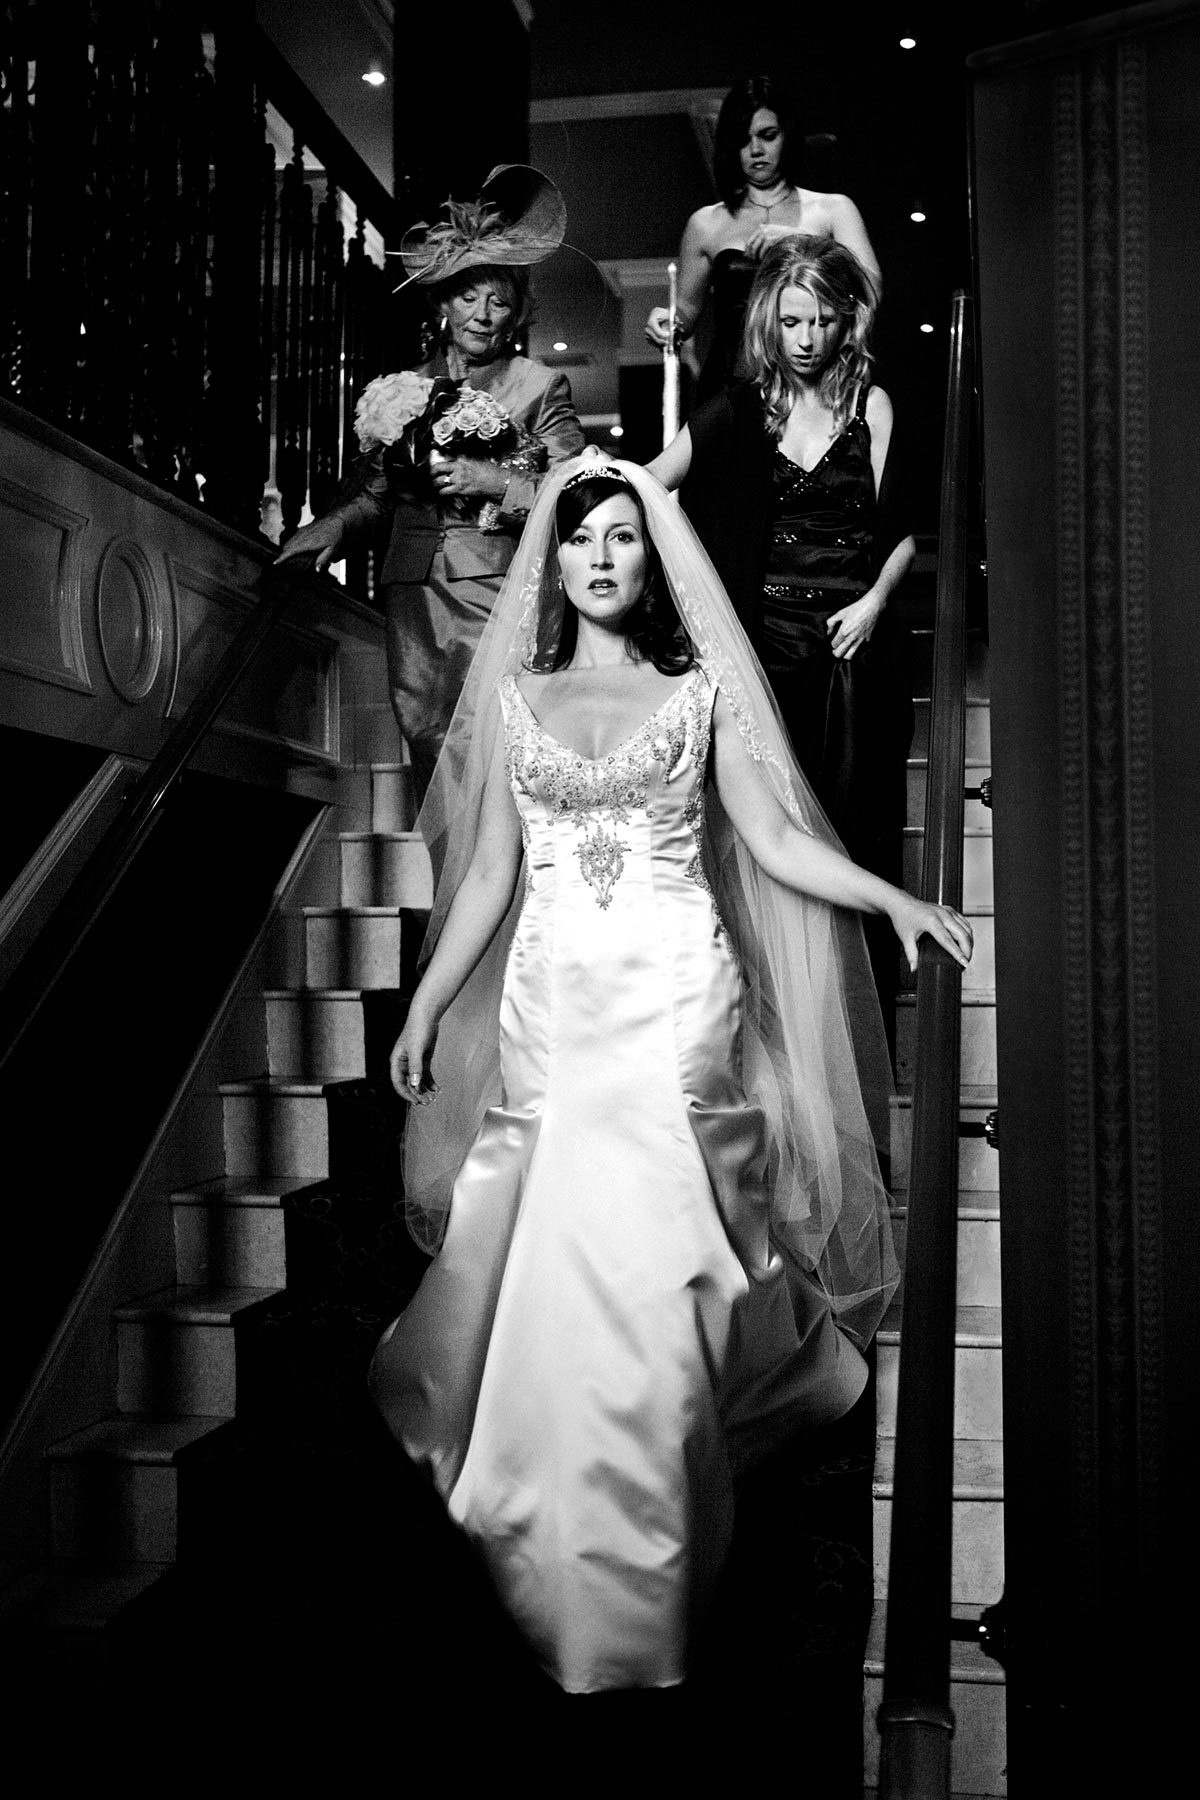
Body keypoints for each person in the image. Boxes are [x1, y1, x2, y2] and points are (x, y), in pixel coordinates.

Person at [367, 453, 972, 1696]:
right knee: (557, 1243)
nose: (601, 557)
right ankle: (556, 1500)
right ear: (554, 558)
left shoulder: (697, 695)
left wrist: (893, 898)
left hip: (677, 994)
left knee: (660, 1253)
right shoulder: (516, 697)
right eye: (580, 536)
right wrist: (426, 1000)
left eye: (623, 537)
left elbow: (775, 838)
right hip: (552, 1001)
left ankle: (651, 1538)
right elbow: (489, 876)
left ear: (653, 561)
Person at [277, 165, 585, 800]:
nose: (482, 315)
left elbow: (579, 495)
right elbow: (375, 496)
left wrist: (490, 478)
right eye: (469, 297)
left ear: (517, 314)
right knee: (428, 743)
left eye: (499, 302)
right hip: (413, 595)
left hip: (494, 588)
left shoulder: (539, 385)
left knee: (496, 745)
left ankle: (503, 865)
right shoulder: (406, 387)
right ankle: (446, 870)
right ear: (443, 303)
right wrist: (330, 528)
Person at [649, 235, 914, 930]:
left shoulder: (872, 405)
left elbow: (900, 532)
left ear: (845, 321)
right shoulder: (739, 406)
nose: (806, 339)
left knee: (850, 825)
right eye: (792, 321)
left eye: (822, 321)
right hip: (760, 651)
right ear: (770, 319)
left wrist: (875, 601)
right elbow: (649, 485)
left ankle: (859, 987)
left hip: (848, 648)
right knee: (767, 832)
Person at [644, 76, 880, 406]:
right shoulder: (705, 223)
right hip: (731, 382)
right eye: (743, 140)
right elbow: (686, 311)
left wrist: (799, 244)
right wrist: (668, 322)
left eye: (768, 136)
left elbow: (871, 290)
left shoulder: (834, 210)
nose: (756, 150)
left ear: (788, 136)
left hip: (811, 384)